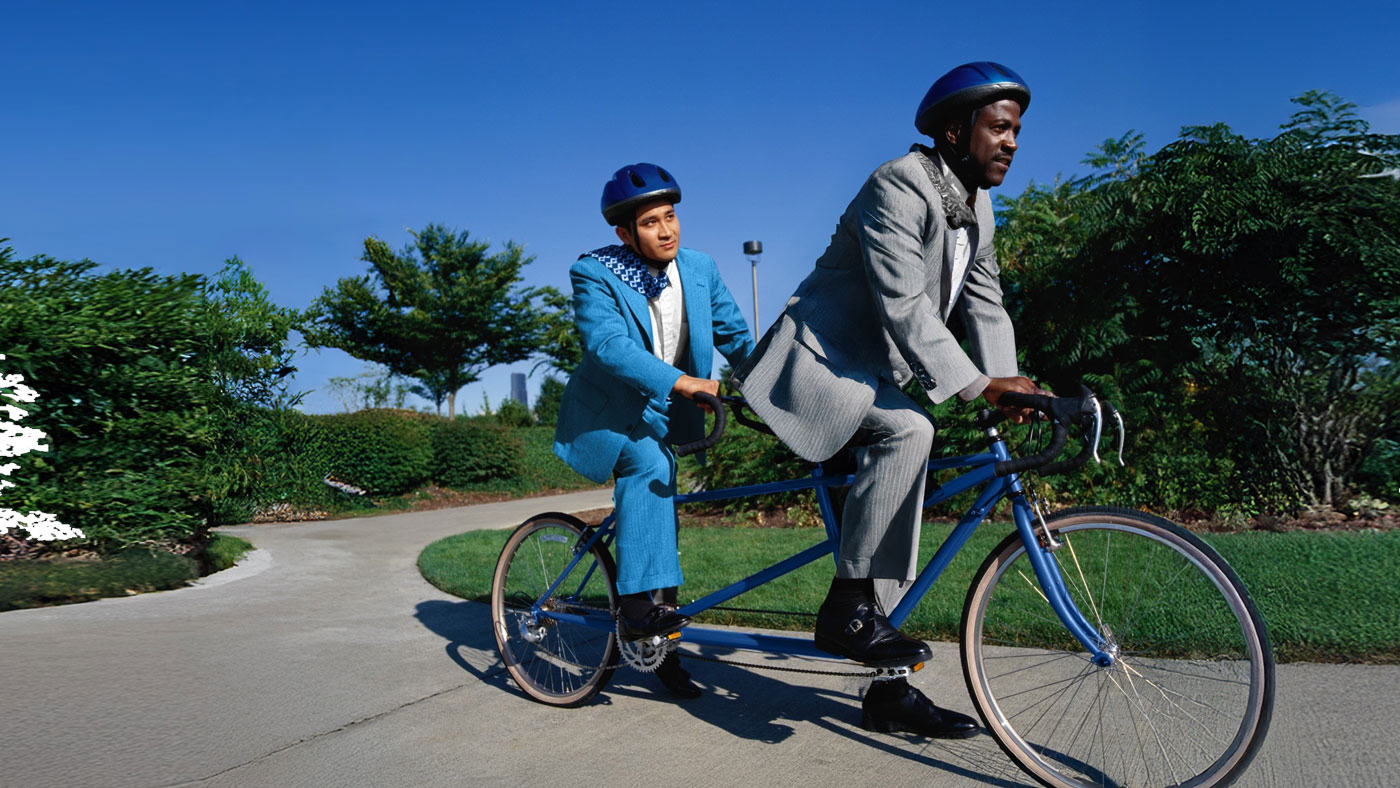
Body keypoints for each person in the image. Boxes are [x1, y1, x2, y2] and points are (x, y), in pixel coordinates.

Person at [732, 62, 1045, 737]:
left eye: (1017, 130)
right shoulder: (897, 184)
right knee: (910, 432)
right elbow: (904, 305)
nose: (1013, 142)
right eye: (1000, 128)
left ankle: (888, 691)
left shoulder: (978, 208)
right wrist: (978, 385)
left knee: (897, 500)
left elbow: (986, 305)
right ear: (955, 131)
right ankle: (848, 607)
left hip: (873, 376)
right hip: (814, 365)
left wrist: (1007, 381)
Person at [554, 162, 754, 698]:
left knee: (661, 511)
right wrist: (682, 381)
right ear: (625, 233)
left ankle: (661, 647)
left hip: (665, 414)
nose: (666, 231)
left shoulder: (700, 268)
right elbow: (608, 346)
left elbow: (738, 337)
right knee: (650, 462)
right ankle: (638, 610)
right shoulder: (594, 272)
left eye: (670, 217)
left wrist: (779, 386)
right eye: (650, 223)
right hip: (608, 416)